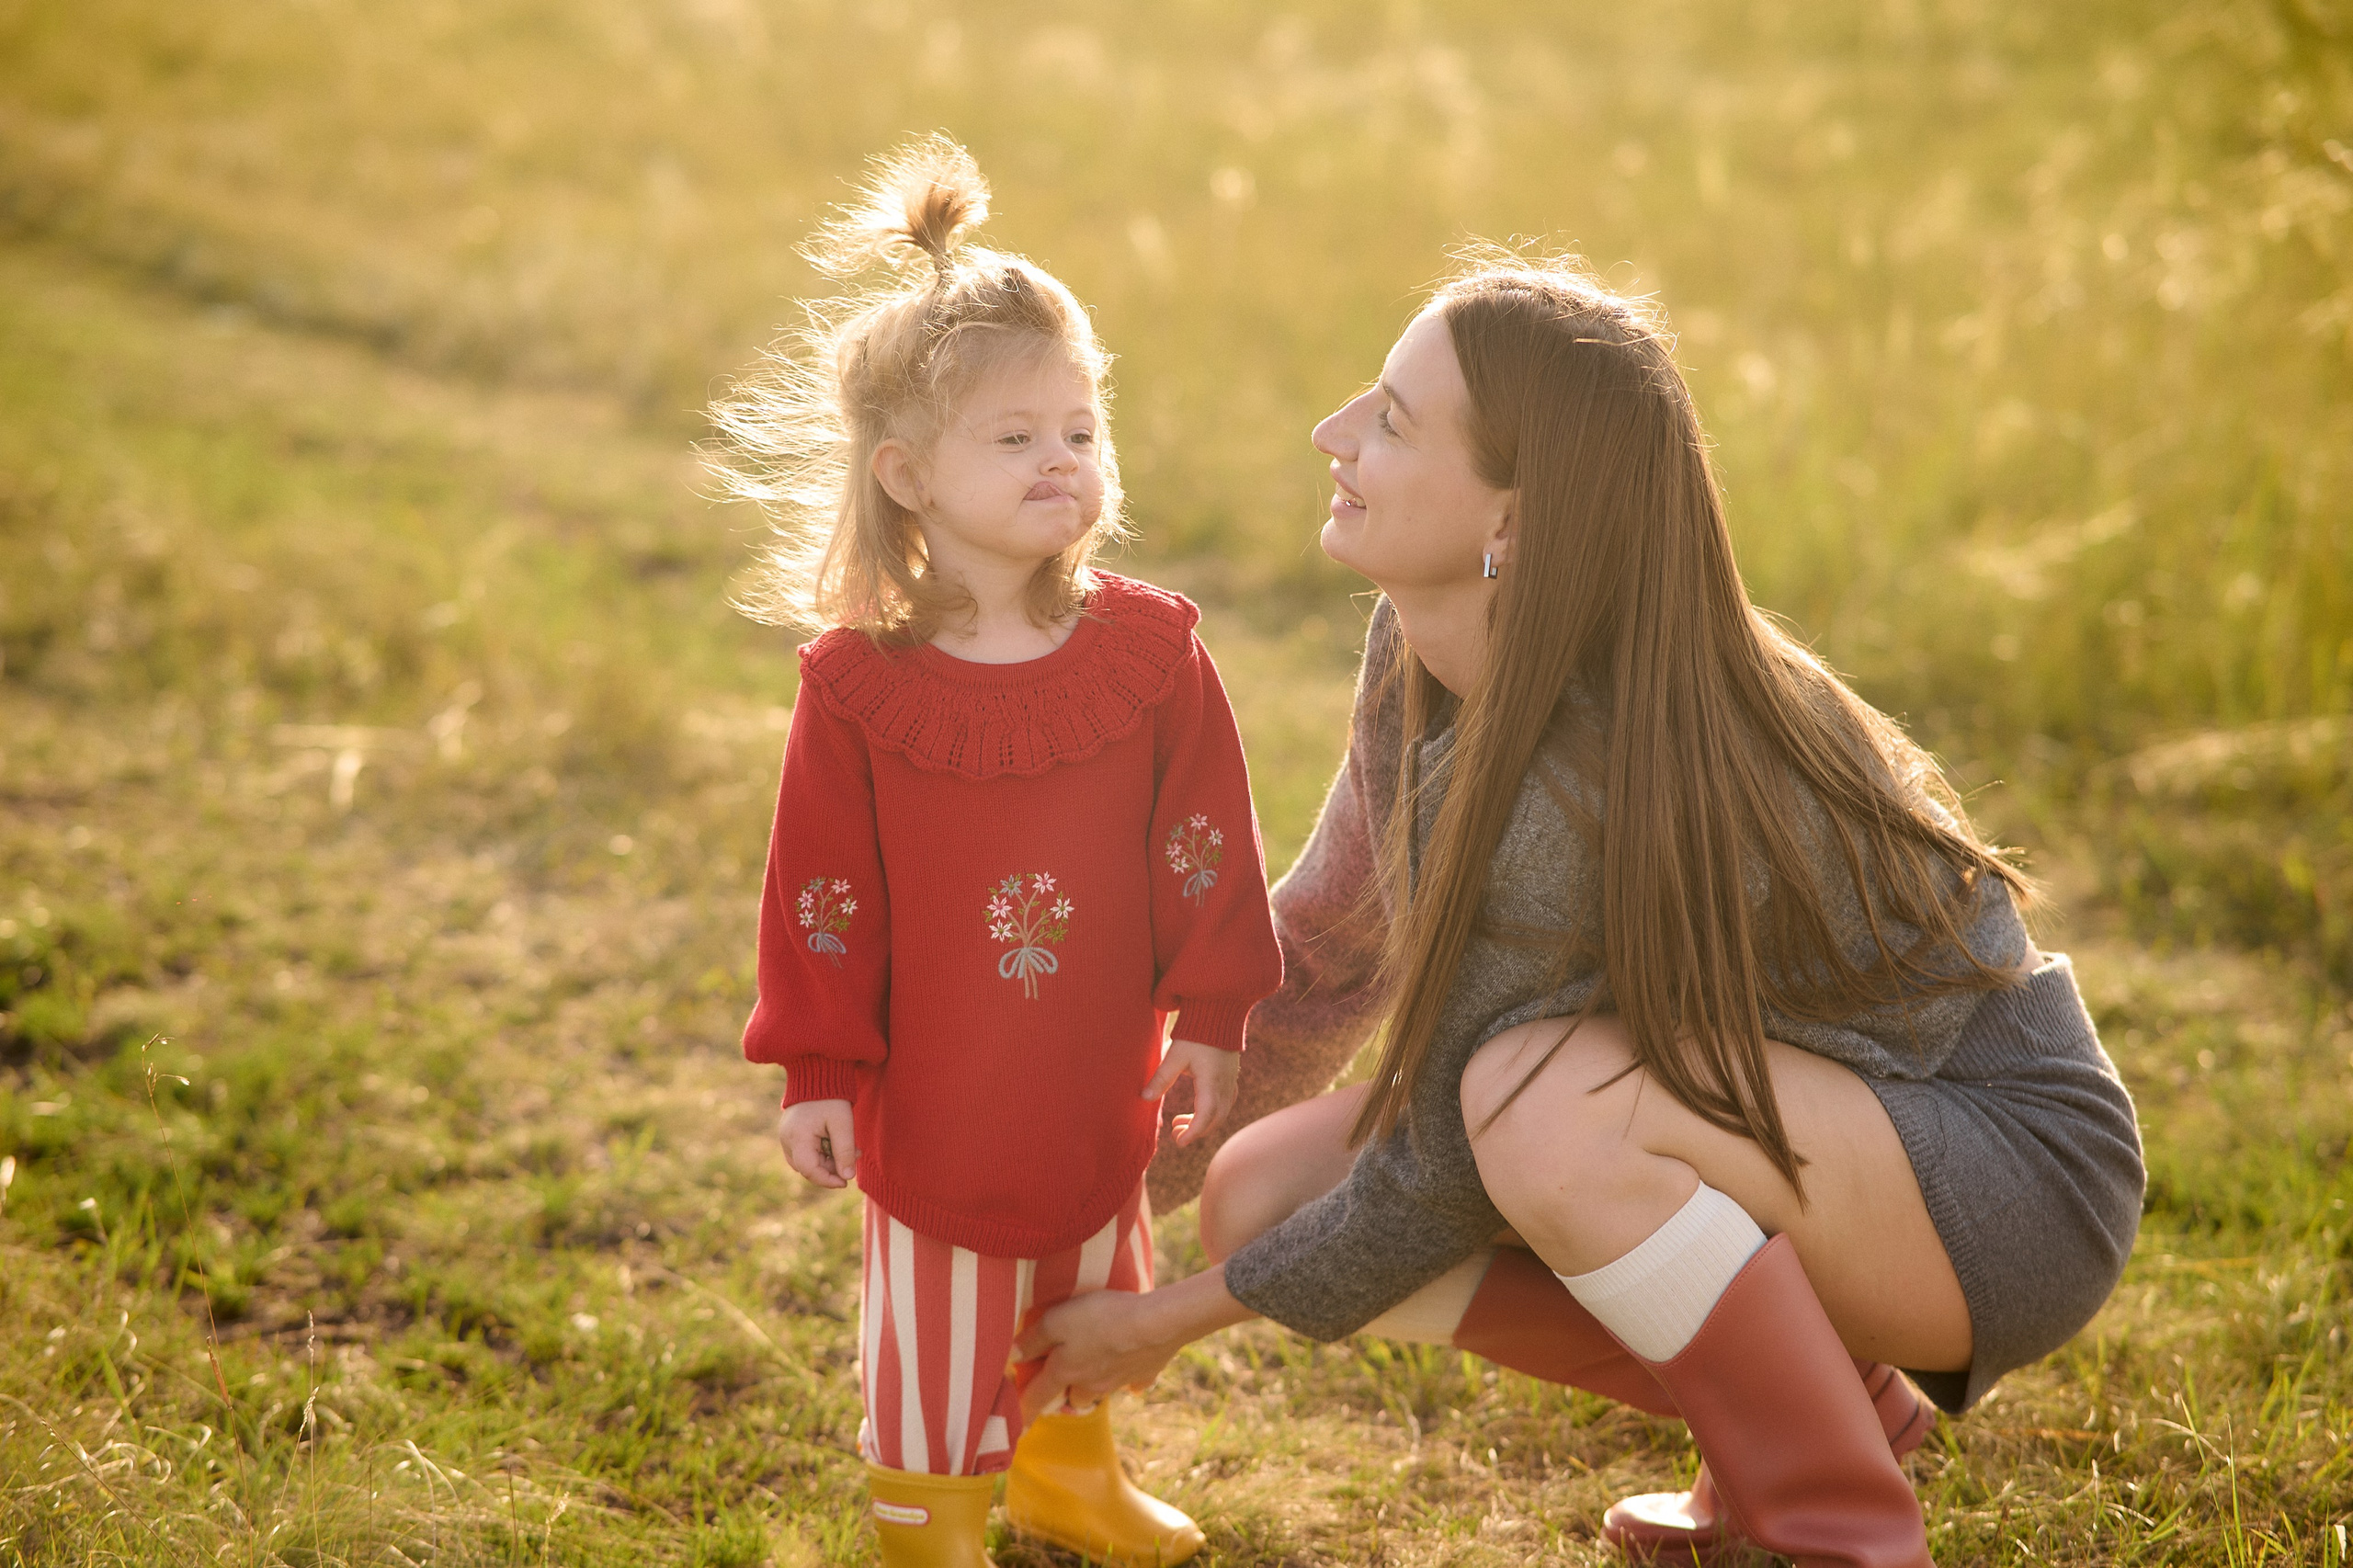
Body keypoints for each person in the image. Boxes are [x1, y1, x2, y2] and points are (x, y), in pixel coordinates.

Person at [1020, 252, 2144, 1568]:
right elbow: (1322, 957)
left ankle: (1833, 1528)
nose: (1333, 434)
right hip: (1808, 1125)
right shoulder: (1422, 646)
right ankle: (1826, 1406)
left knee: (1537, 1106)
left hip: (2001, 1172)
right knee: (1264, 1192)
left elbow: (1441, 1168)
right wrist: (1074, 1195)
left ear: (1516, 520)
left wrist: (1160, 1323)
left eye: (1390, 419)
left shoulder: (1587, 759)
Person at [718, 137, 1284, 1568]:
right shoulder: (859, 684)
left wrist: (1214, 1013)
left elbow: (1206, 843)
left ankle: (1067, 1473)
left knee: (1092, 1253)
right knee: (941, 1309)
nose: (1061, 459)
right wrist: (821, 1065)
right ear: (908, 475)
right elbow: (821, 894)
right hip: (939, 1085)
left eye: (1081, 429)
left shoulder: (1151, 653)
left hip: (1098, 1064)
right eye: (1015, 436)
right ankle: (932, 1522)